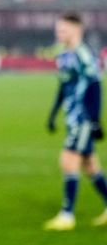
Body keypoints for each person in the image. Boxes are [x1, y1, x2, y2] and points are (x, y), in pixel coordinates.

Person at [44, 13, 107, 231]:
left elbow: (95, 86)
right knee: (90, 166)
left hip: (83, 118)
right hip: (71, 118)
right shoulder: (63, 55)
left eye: (63, 30)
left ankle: (67, 215)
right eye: (57, 30)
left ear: (76, 30)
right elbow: (63, 87)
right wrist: (53, 115)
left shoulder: (84, 55)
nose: (58, 34)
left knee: (68, 160)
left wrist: (96, 120)